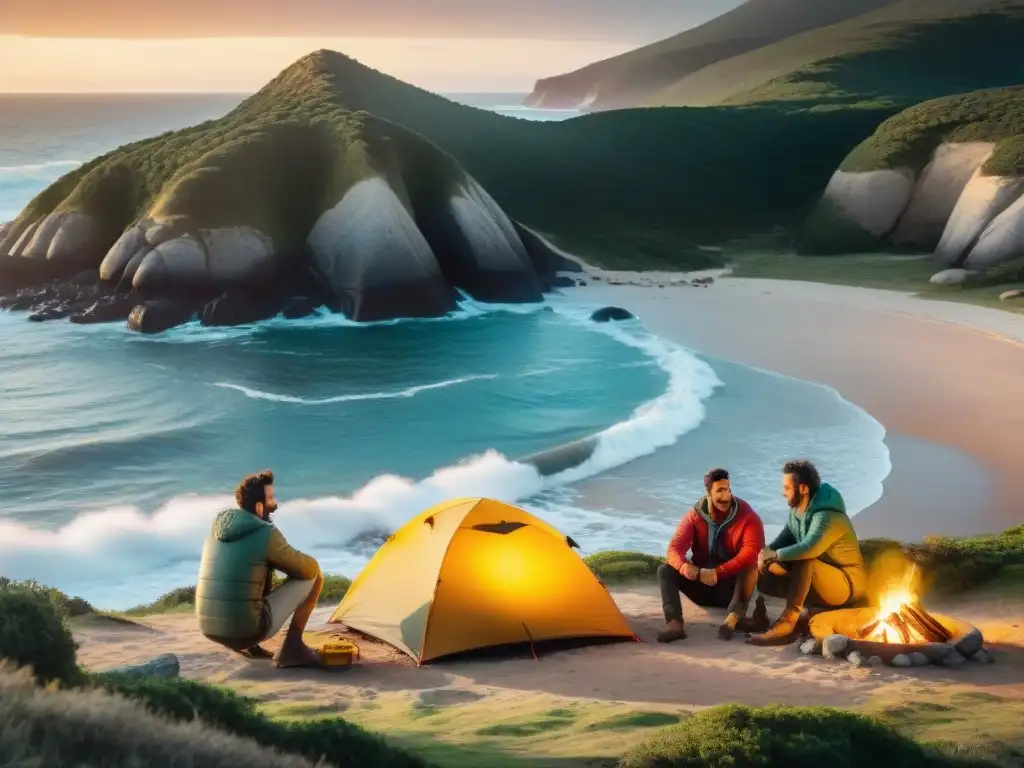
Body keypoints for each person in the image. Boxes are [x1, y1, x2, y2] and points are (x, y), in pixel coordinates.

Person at [195, 469, 325, 668]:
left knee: (253, 571)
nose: (275, 504)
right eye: (271, 499)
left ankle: (251, 647)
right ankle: (293, 649)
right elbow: (308, 569)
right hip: (246, 631)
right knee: (314, 575)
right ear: (258, 506)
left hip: (209, 627)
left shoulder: (216, 528)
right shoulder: (265, 533)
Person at [747, 459, 867, 646]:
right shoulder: (796, 512)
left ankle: (787, 623)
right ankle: (758, 614)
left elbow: (809, 548)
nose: (782, 493)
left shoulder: (828, 516)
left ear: (802, 489)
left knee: (805, 558)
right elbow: (779, 544)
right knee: (763, 561)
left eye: (786, 488)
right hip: (816, 580)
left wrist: (775, 556)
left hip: (845, 584)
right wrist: (764, 555)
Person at [656, 467, 767, 642]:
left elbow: (750, 553)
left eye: (728, 489)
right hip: (701, 585)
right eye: (720, 490)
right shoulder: (694, 516)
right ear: (709, 494)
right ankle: (674, 624)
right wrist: (684, 567)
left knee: (751, 565)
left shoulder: (748, 516)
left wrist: (718, 572)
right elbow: (673, 550)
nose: (726, 496)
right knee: (665, 570)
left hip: (730, 591)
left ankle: (734, 618)